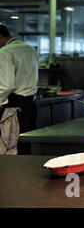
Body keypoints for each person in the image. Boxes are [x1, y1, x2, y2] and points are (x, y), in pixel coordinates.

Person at [0, 24, 38, 154]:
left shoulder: (5, 52)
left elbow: (6, 85)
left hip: (14, 105)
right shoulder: (29, 49)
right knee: (27, 143)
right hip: (30, 103)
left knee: (12, 146)